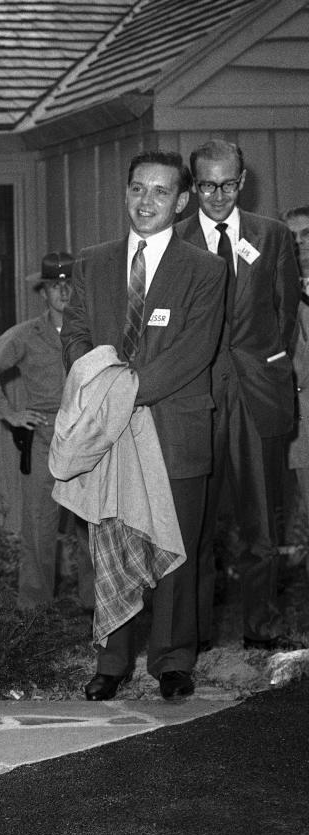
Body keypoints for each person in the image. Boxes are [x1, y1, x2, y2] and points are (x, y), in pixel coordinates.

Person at [62, 150, 226, 701]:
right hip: (108, 431)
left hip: (172, 427)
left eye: (160, 192)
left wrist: (127, 392)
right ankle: (112, 661)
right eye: (137, 189)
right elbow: (76, 337)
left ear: (182, 202)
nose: (146, 202)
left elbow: (194, 352)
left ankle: (173, 661)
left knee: (176, 547)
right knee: (112, 541)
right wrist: (106, 390)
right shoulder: (92, 262)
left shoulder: (204, 269)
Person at [176, 140, 301, 651]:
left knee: (260, 522)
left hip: (256, 395)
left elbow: (285, 314)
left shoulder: (271, 236)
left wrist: (262, 366)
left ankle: (262, 626)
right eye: (207, 185)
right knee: (195, 525)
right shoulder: (174, 239)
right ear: (193, 186)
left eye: (228, 184)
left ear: (243, 181)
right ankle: (194, 635)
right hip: (196, 398)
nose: (218, 195)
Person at [0, 252, 94, 613]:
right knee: (40, 526)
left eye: (69, 284)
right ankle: (35, 611)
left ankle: (97, 605)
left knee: (91, 525)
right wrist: (11, 414)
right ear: (43, 292)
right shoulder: (27, 334)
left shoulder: (94, 331)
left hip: (87, 437)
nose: (63, 291)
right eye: (55, 286)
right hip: (44, 437)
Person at [282, 205, 309, 552]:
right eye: (292, 239)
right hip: (300, 428)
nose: (301, 245)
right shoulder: (277, 295)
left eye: (307, 236)